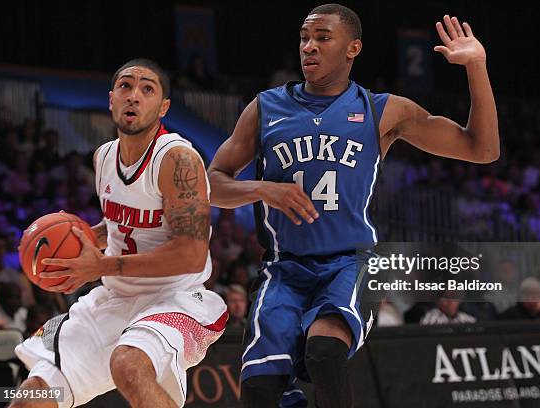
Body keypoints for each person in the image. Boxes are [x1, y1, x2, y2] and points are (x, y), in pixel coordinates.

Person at [207, 4, 499, 407]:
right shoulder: (265, 108)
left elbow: (481, 149)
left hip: (349, 263)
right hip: (284, 269)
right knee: (260, 392)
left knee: (325, 354)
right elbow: (212, 183)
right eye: (305, 38)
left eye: (323, 38)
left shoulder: (383, 110)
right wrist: (263, 190)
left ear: (352, 48)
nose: (309, 47)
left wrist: (476, 68)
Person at [12, 59, 227, 408]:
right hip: (114, 300)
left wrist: (100, 267)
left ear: (164, 107)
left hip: (178, 297)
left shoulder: (177, 159)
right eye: (126, 87)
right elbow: (117, 228)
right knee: (32, 395)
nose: (134, 96)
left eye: (147, 89)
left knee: (127, 364)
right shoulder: (104, 157)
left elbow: (191, 254)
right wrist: (81, 241)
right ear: (111, 99)